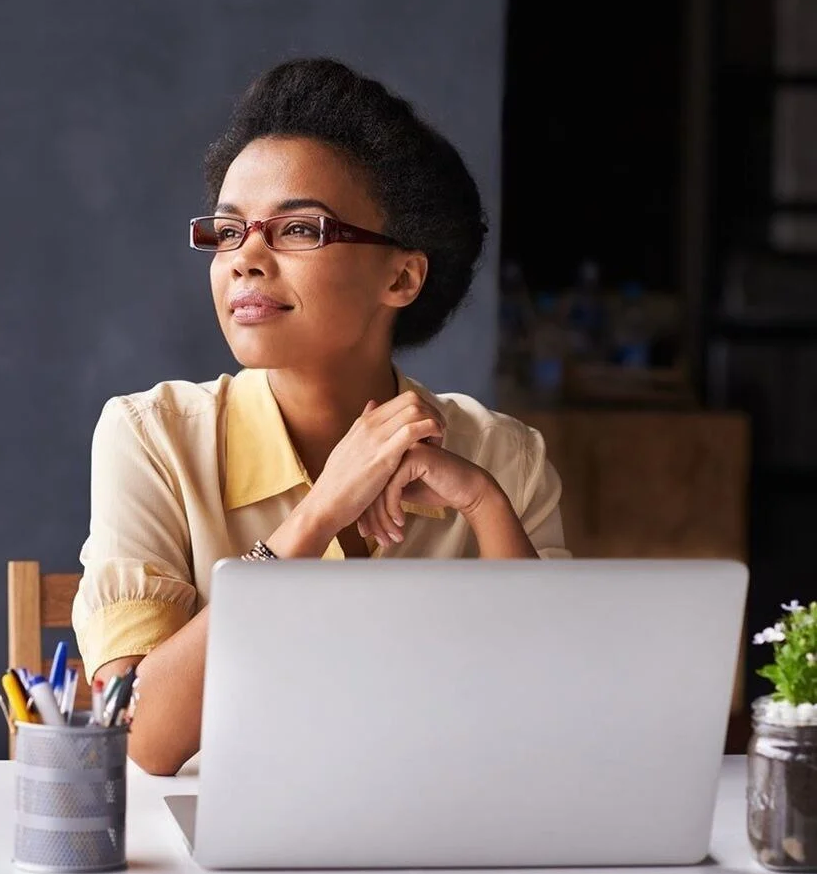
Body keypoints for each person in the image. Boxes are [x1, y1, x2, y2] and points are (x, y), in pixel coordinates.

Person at [72, 58, 569, 776]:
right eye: (228, 230)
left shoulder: (503, 454)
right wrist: (316, 517)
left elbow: (554, 715)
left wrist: (485, 503)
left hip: (448, 852)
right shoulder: (152, 436)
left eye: (299, 229)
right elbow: (144, 737)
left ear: (401, 276)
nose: (245, 258)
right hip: (213, 864)